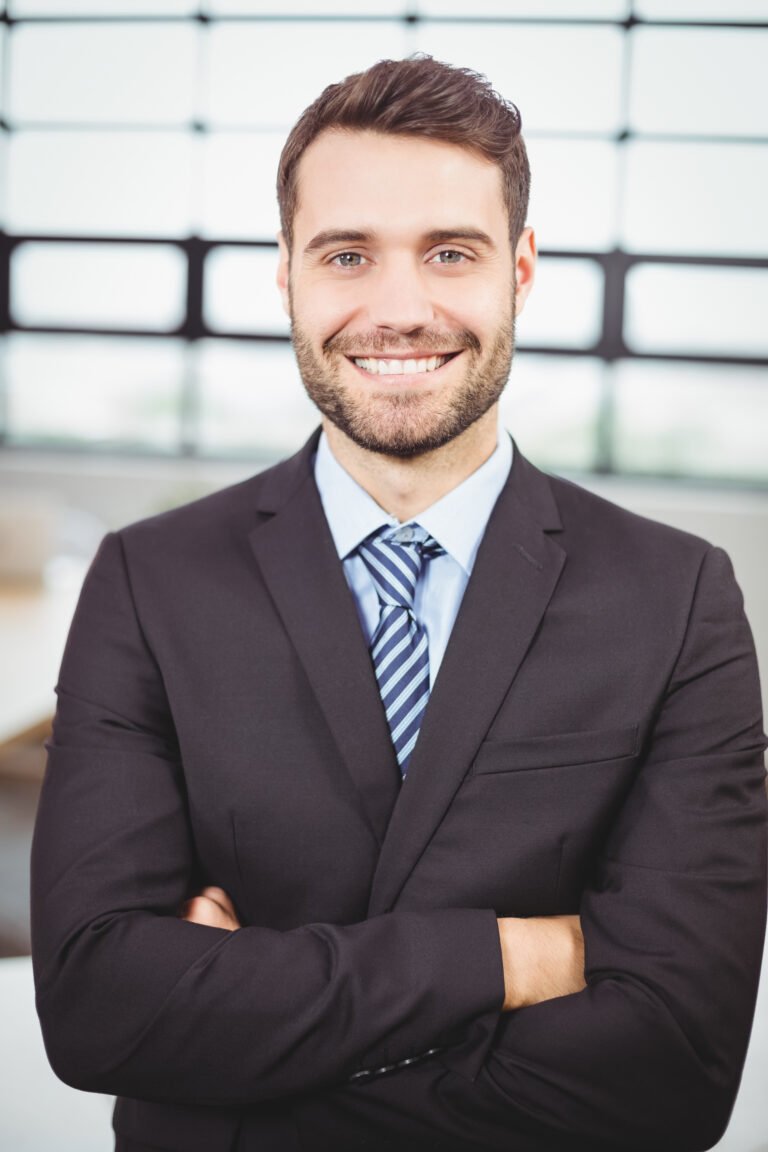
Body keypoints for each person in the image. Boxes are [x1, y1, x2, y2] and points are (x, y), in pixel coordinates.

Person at [31, 55, 766, 1152]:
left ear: (521, 268)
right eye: (347, 254)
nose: (400, 309)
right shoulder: (151, 581)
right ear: (287, 272)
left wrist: (232, 1038)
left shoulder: (677, 597)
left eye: (451, 253)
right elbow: (98, 1010)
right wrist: (518, 958)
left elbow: (676, 1068)